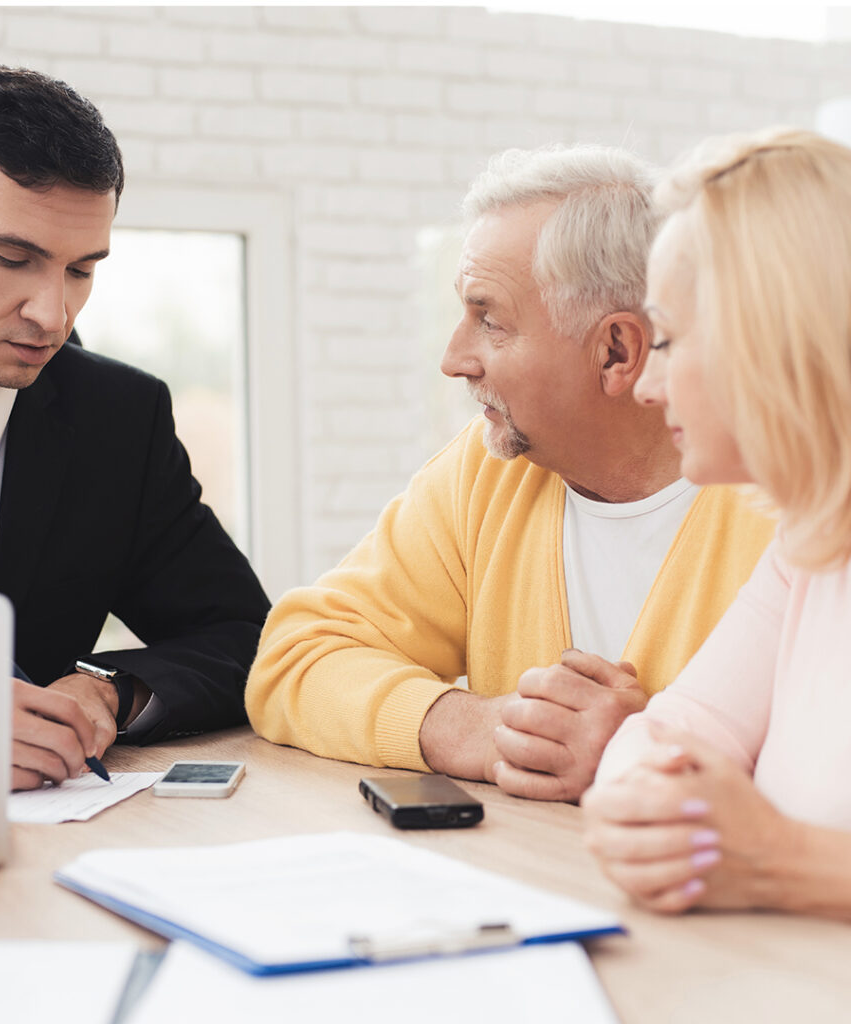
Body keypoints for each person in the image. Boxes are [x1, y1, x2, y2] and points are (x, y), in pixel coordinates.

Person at [246, 145, 774, 802]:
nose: (453, 359)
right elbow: (295, 659)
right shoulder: (488, 473)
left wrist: (637, 752)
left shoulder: (791, 502)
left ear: (616, 350)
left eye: (487, 318)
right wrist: (482, 728)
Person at [0, 66, 270, 790]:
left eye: (81, 270)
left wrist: (103, 691)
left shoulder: (119, 421)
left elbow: (246, 639)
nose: (52, 313)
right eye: (13, 258)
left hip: (43, 847)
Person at [583, 128, 851, 918]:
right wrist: (642, 807)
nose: (645, 385)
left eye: (666, 338)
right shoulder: (810, 550)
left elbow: (768, 851)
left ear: (770, 339)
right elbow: (669, 730)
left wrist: (786, 861)